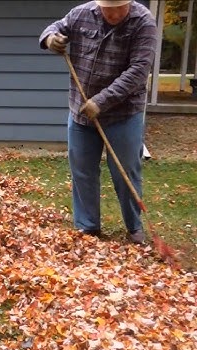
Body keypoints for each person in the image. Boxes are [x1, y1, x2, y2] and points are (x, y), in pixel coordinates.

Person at [39, 0, 157, 244]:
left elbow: (138, 70)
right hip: (81, 113)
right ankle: (88, 227)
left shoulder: (143, 22)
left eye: (119, 8)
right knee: (82, 171)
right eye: (108, 8)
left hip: (123, 114)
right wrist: (51, 39)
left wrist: (102, 101)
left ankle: (134, 227)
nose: (113, 14)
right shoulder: (81, 14)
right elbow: (53, 29)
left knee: (125, 171)